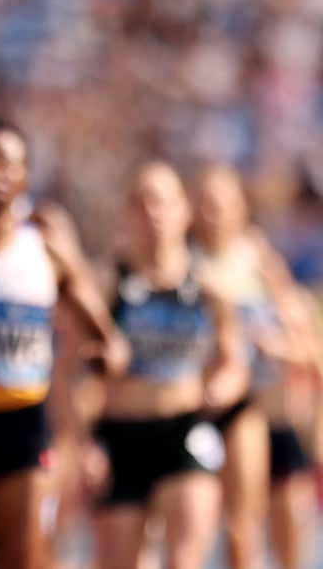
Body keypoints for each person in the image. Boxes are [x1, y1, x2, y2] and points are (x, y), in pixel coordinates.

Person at [0, 118, 128, 569]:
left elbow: (110, 340)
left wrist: (107, 358)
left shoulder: (48, 250)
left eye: (8, 164)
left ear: (26, 177)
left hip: (23, 429)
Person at [91, 159, 246, 569]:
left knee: (184, 560)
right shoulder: (108, 282)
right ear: (127, 214)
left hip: (184, 432)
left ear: (184, 210)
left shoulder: (210, 288)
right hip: (120, 439)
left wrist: (221, 388)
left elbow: (234, 363)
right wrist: (81, 443)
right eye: (141, 204)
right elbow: (73, 371)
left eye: (162, 202)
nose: (153, 214)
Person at [190, 161, 322, 569]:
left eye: (222, 204)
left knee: (286, 539)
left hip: (274, 411)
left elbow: (310, 350)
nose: (213, 214)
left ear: (241, 207)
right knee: (234, 528)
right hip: (213, 411)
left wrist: (279, 348)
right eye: (204, 204)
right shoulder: (183, 263)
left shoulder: (261, 262)